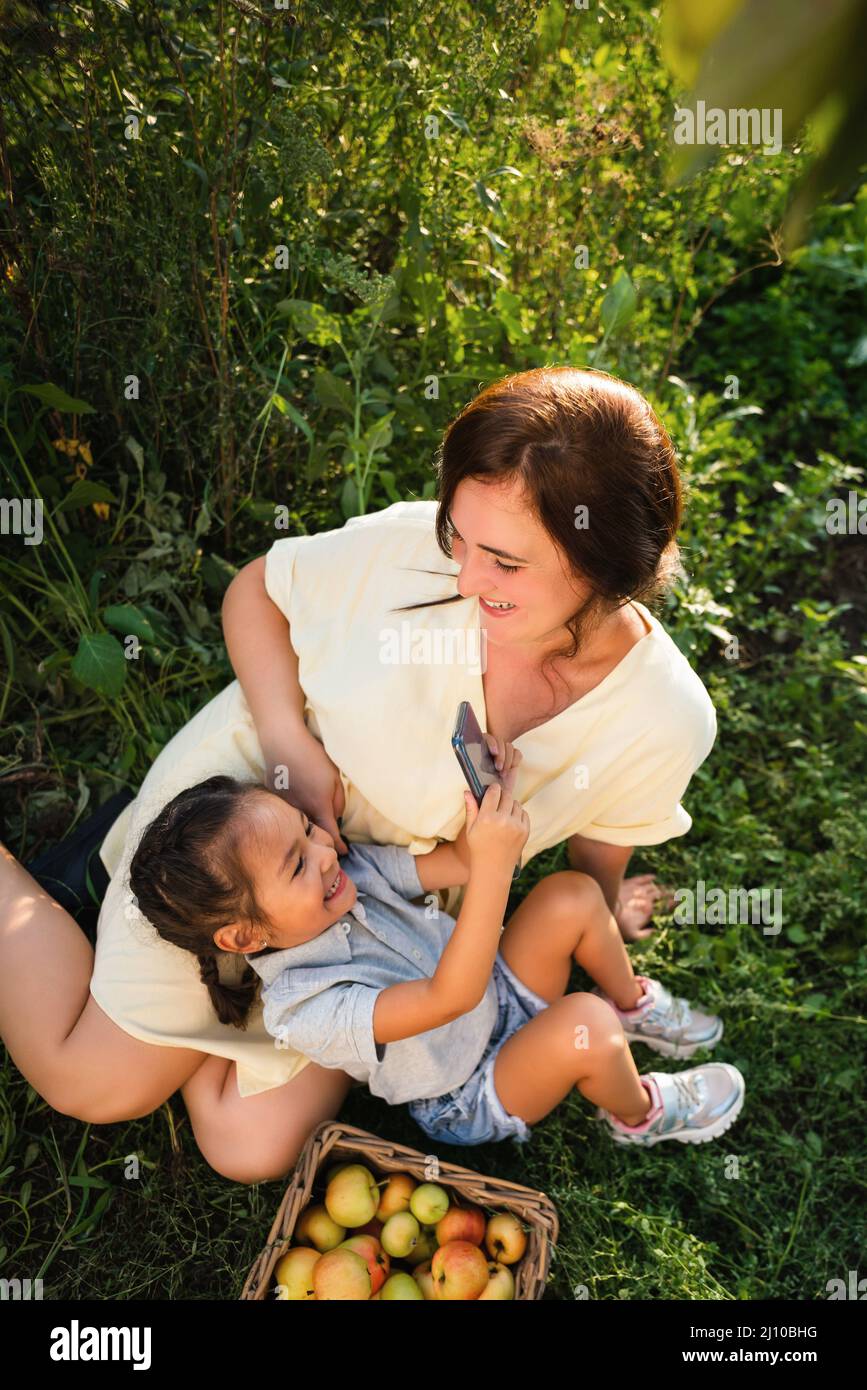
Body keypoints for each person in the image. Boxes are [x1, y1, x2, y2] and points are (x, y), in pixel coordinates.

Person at [0, 365, 717, 1182]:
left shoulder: (662, 719)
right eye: (459, 536)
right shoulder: (412, 553)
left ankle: (163, 925)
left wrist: (603, 909)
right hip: (252, 825)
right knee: (91, 1083)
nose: (466, 577)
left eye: (506, 564)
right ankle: (75, 870)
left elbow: (596, 857)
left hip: (378, 921)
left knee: (250, 1147)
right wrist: (285, 746)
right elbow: (256, 596)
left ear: (606, 565)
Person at [127, 767, 744, 1149]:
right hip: (470, 1085)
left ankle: (634, 1002)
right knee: (588, 1027)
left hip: (497, 992)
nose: (323, 850)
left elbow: (457, 864)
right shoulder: (305, 1007)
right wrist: (498, 868)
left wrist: (489, 806)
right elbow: (450, 996)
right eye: (295, 863)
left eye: (306, 830)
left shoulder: (346, 872)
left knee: (572, 896)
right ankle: (640, 1112)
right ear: (243, 937)